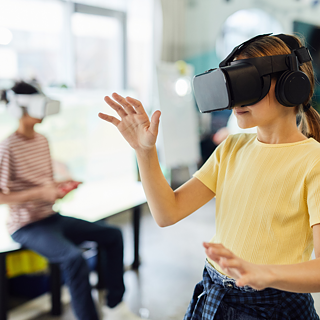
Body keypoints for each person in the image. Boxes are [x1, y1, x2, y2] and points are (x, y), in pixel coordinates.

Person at [99, 33, 320, 319]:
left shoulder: (312, 162)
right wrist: (145, 152)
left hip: (274, 307)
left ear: (291, 85)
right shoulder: (231, 148)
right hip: (213, 294)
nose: (236, 98)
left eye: (248, 83)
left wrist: (264, 273)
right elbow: (168, 212)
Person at [0, 81, 143, 320]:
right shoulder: (7, 147)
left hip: (52, 217)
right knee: (74, 258)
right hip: (26, 226)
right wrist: (40, 193)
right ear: (20, 109)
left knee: (113, 235)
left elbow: (44, 183)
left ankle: (115, 306)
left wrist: (60, 186)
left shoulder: (42, 140)